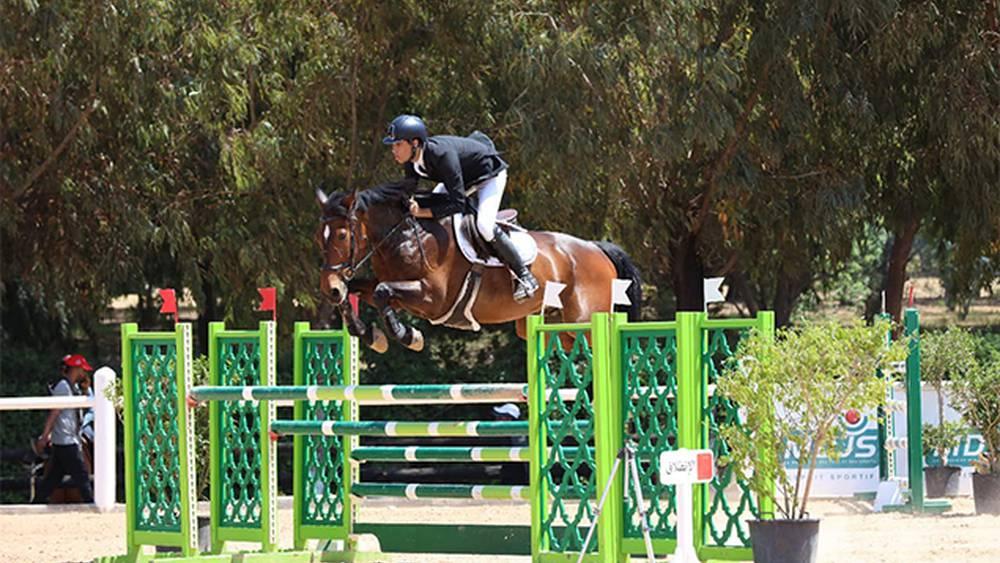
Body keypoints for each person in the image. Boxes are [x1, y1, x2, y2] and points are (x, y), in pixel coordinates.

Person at [383, 114, 539, 302]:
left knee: (484, 225)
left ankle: (524, 276)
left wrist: (422, 211)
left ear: (414, 143)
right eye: (393, 145)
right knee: (432, 202)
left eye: (398, 144)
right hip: (462, 180)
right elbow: (409, 190)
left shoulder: (442, 155)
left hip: (489, 176)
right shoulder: (412, 161)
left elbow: (458, 203)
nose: (394, 150)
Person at [34, 354, 94, 503]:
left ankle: (35, 504)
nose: (84, 373)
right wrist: (44, 436)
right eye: (82, 370)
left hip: (66, 440)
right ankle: (92, 505)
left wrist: (86, 390)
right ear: (76, 369)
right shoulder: (63, 387)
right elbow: (54, 413)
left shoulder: (72, 387)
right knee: (82, 476)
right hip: (67, 440)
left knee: (51, 480)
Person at [493, 403, 529, 484]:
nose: (497, 420)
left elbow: (525, 462)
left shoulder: (517, 435)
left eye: (500, 417)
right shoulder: (510, 434)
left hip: (518, 478)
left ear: (509, 418)